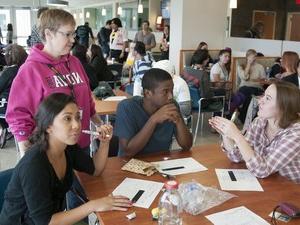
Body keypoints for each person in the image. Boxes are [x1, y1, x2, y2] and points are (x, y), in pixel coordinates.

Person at [0, 93, 132, 224]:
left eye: (78, 117)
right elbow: (46, 222)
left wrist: (104, 143)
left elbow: (95, 169)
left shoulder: (67, 147)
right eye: (67, 119)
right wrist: (93, 205)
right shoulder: (34, 165)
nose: (76, 125)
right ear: (48, 126)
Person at [209, 81, 300, 183]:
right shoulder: (260, 122)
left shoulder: (296, 133)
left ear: (284, 107)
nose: (260, 101)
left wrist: (238, 136)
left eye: (268, 98)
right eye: (263, 95)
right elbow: (237, 156)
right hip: (270, 182)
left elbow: (262, 170)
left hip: (292, 189)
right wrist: (226, 133)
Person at [115, 68, 192, 157]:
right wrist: (153, 120)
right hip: (128, 165)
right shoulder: (127, 107)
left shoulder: (171, 105)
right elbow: (128, 151)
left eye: (172, 90)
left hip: (160, 163)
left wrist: (179, 121)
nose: (171, 96)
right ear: (148, 93)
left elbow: (187, 146)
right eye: (165, 91)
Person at [0, 44, 27, 148]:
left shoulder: (9, 72)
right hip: (22, 108)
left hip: (5, 107)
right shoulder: (26, 70)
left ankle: (2, 128)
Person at [235, 49, 266, 122]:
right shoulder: (241, 66)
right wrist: (248, 64)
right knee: (249, 95)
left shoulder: (260, 67)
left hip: (257, 87)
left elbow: (263, 80)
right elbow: (244, 77)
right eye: (251, 57)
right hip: (244, 87)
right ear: (247, 57)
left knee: (257, 95)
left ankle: (250, 118)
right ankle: (244, 118)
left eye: (254, 56)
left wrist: (260, 81)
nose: (253, 58)